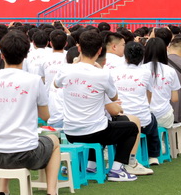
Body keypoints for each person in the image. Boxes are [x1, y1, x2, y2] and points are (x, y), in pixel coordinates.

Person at [0, 33, 59, 195]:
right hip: (26, 154)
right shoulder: (34, 80)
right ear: (26, 55)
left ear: (2, 55)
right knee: (54, 141)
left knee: (6, 137)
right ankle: (51, 191)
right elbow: (45, 116)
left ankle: (3, 190)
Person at [55, 31, 141, 181]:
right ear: (100, 50)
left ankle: (91, 165)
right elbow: (114, 97)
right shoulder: (102, 74)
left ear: (79, 48)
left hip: (70, 131)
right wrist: (99, 70)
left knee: (101, 122)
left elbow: (56, 84)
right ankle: (116, 170)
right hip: (95, 131)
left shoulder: (65, 69)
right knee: (131, 128)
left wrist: (74, 65)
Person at [111, 41, 160, 170]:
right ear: (142, 57)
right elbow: (149, 94)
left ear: (125, 56)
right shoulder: (146, 72)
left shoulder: (114, 71)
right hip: (141, 122)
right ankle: (153, 155)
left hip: (119, 119)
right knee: (152, 120)